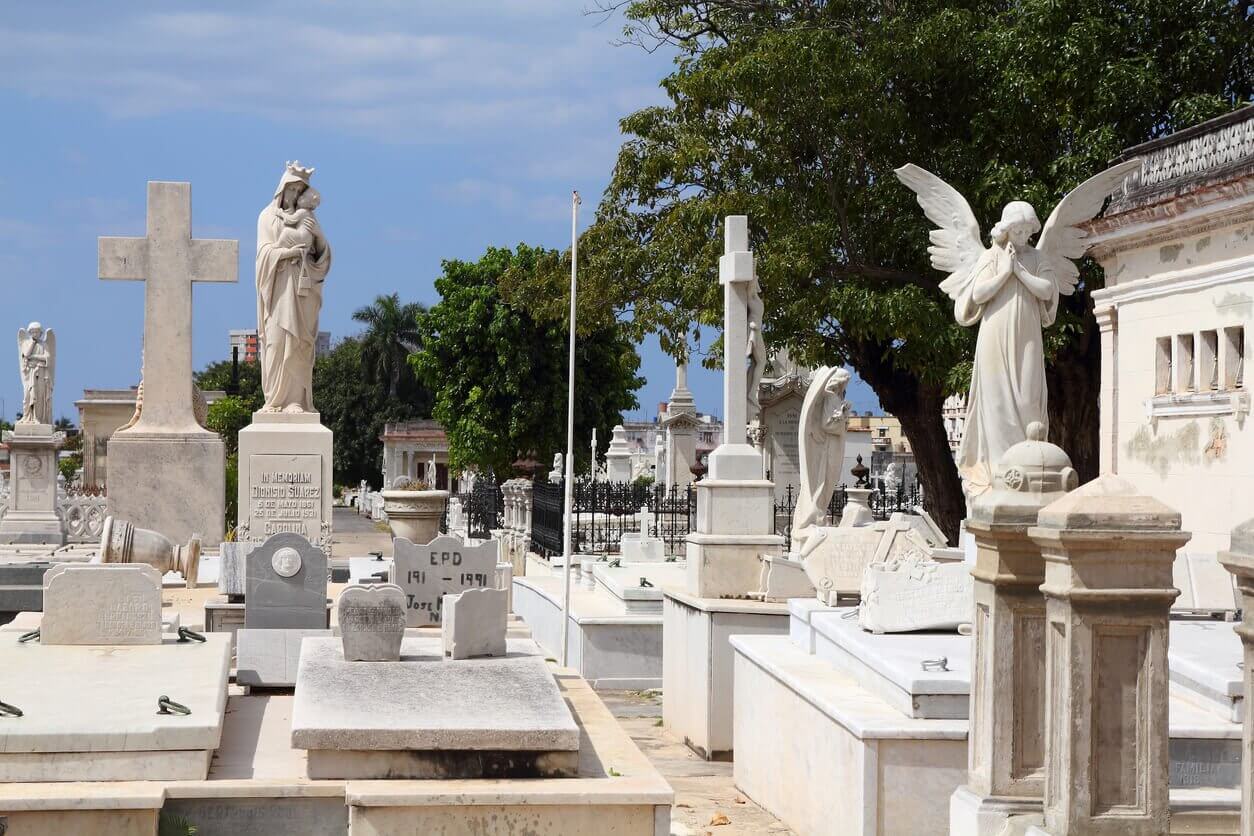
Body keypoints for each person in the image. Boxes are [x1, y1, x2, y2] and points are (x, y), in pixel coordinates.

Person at [255, 162, 332, 413]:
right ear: (283, 188)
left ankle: (296, 400)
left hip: (302, 290)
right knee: (277, 342)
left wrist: (318, 235)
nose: (296, 194)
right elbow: (263, 254)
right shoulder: (267, 216)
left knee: (299, 342)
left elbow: (321, 257)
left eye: (301, 190)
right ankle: (276, 399)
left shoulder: (309, 218)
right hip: (278, 290)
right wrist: (288, 252)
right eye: (293, 188)